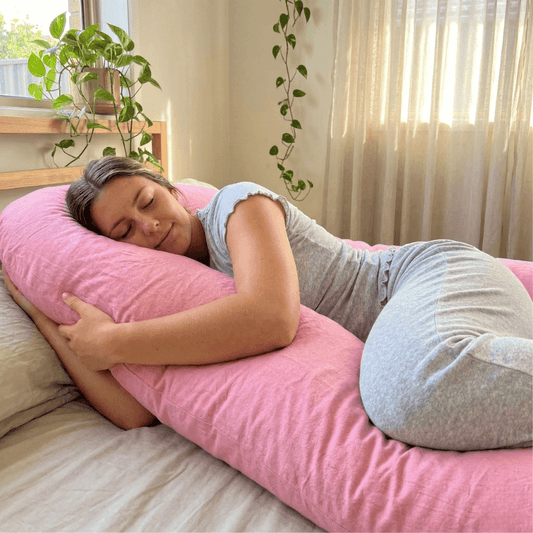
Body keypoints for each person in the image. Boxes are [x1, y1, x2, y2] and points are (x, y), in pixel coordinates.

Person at [4, 156, 532, 450]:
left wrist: (117, 341)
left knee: (404, 398)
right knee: (407, 393)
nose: (149, 225)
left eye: (149, 201)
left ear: (173, 189)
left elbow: (271, 320)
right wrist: (44, 316)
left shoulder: (237, 204)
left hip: (421, 277)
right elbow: (135, 412)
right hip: (414, 320)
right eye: (124, 231)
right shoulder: (169, 288)